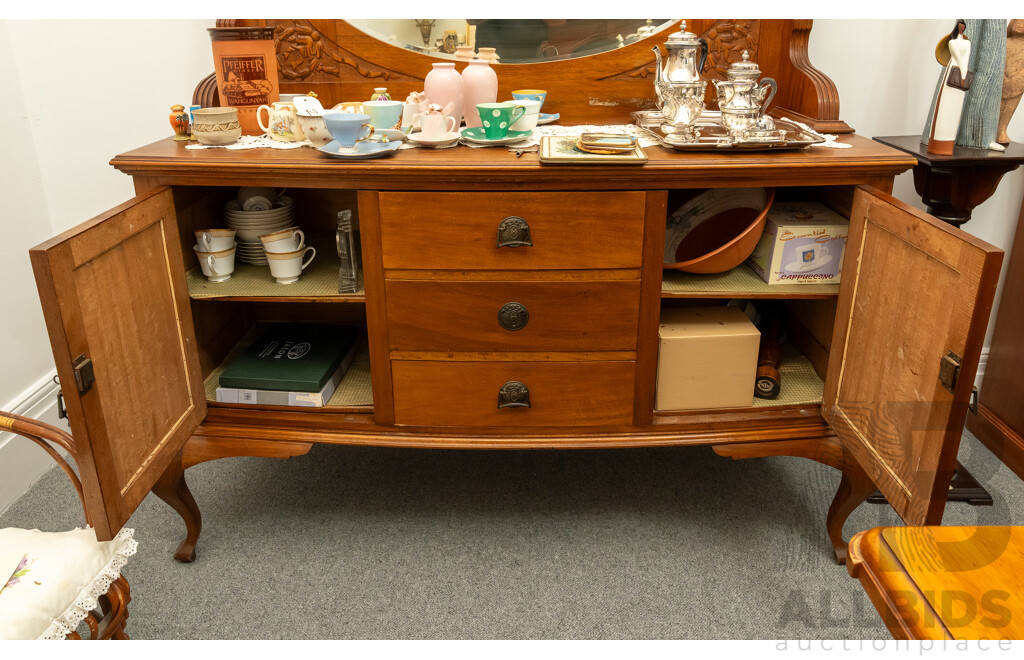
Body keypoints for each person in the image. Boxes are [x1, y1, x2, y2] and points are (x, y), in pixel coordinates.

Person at [926, 20, 972, 155]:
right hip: (953, 70)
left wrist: (964, 71)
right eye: (959, 26)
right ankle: (938, 143)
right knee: (945, 105)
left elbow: (967, 56)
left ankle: (948, 143)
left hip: (962, 71)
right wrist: (963, 70)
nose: (961, 28)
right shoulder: (952, 42)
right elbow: (957, 57)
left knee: (955, 108)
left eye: (963, 26)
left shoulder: (967, 42)